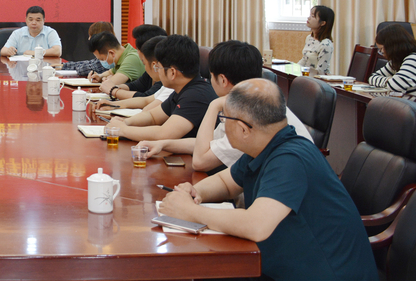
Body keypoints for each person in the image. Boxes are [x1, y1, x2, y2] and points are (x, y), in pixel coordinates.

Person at [159, 78, 377, 281]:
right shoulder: (265, 146)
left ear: (243, 129)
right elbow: (226, 183)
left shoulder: (290, 159)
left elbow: (256, 225)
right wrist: (196, 192)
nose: (222, 125)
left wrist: (190, 212)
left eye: (224, 119)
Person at [137, 40, 312, 171]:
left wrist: (214, 106)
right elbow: (209, 144)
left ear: (222, 80)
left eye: (210, 76)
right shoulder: (250, 102)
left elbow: (200, 161)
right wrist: (163, 144)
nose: (208, 81)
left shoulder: (250, 115)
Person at [104, 35, 216, 141]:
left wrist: (122, 130)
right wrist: (125, 122)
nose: (157, 71)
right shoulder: (182, 89)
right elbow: (152, 116)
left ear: (172, 72)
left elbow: (164, 134)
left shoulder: (196, 95)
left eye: (158, 68)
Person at [94, 36, 174, 113]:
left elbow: (147, 107)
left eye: (143, 63)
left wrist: (114, 90)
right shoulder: (167, 86)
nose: (144, 67)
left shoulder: (171, 86)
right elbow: (145, 100)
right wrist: (113, 104)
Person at [102, 24, 167, 98]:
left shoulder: (165, 78)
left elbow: (146, 99)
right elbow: (135, 86)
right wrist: (115, 87)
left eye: (137, 48)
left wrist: (113, 90)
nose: (137, 52)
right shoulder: (150, 72)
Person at [369, 24, 416, 96]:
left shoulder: (414, 59)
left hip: (415, 102)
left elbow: (395, 85)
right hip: (403, 102)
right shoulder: (396, 61)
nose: (381, 52)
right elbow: (372, 77)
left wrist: (389, 81)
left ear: (392, 46)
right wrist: (388, 80)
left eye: (381, 49)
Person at [297, 5, 335, 74]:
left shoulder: (326, 44)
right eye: (310, 15)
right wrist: (294, 70)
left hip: (318, 79)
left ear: (322, 23)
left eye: (313, 16)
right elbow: (304, 60)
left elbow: (320, 71)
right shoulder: (309, 38)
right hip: (307, 76)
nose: (308, 18)